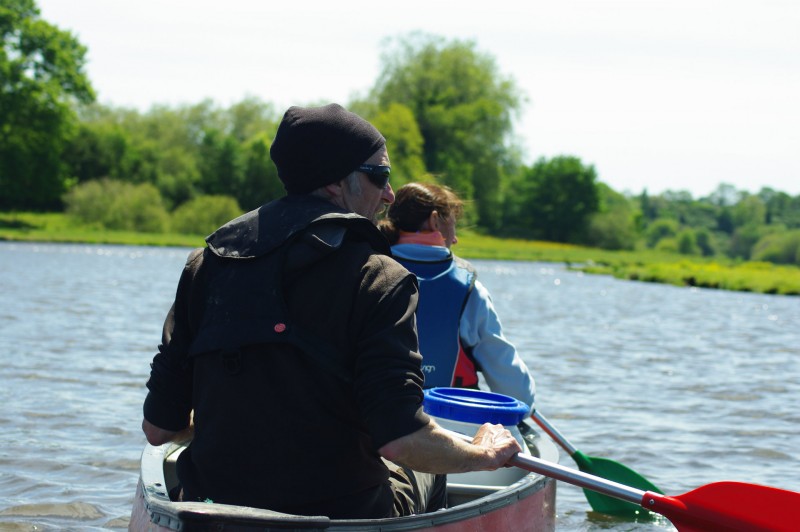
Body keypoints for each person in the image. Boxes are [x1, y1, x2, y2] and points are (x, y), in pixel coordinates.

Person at [140, 104, 521, 519]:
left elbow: (158, 428)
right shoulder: (380, 278)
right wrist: (483, 454)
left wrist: (235, 420)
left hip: (213, 507)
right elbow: (402, 442)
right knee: (429, 465)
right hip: (346, 514)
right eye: (380, 176)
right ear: (338, 183)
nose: (389, 195)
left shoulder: (206, 265)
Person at [379, 183, 536, 410]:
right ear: (435, 221)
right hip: (447, 427)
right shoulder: (470, 291)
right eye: (452, 225)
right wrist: (527, 405)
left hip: (373, 419)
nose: (455, 240)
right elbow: (516, 391)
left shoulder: (365, 271)